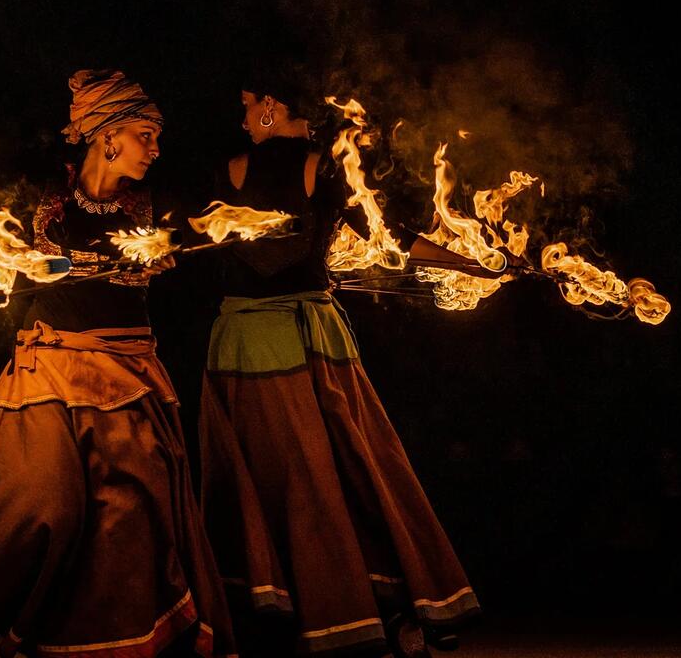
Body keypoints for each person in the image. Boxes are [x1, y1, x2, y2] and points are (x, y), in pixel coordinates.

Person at [0, 70, 236, 658]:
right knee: (34, 506)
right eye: (145, 135)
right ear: (108, 136)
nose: (156, 149)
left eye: (157, 137)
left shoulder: (159, 207)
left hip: (129, 379)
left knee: (129, 519)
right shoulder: (39, 204)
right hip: (48, 376)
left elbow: (217, 235)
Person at [197, 70, 480, 657]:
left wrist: (471, 265)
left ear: (272, 106)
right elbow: (394, 237)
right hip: (288, 337)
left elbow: (388, 236)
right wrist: (470, 265)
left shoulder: (268, 168)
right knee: (343, 467)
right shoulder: (319, 166)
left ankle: (354, 608)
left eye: (248, 104)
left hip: (265, 338)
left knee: (306, 475)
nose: (244, 117)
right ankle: (374, 605)